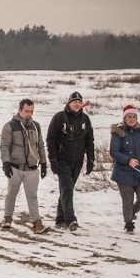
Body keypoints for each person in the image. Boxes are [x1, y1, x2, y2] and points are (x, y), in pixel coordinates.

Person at [46, 91, 94, 231]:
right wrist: (53, 159)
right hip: (62, 160)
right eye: (74, 102)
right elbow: (51, 139)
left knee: (67, 189)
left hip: (78, 161)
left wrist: (91, 158)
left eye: (79, 102)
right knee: (67, 189)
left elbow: (89, 140)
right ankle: (70, 219)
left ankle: (60, 219)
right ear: (69, 103)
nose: (77, 104)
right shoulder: (60, 117)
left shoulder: (85, 119)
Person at [0, 99, 48, 234]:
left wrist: (44, 163)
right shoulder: (9, 126)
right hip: (15, 167)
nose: (29, 114)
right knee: (11, 194)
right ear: (20, 110)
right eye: (26, 111)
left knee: (32, 195)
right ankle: (7, 218)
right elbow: (4, 146)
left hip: (32, 169)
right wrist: (6, 163)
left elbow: (40, 146)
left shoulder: (36, 126)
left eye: (31, 111)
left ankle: (36, 223)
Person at [110, 104, 140, 234]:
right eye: (129, 117)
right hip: (123, 172)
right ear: (124, 118)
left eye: (134, 116)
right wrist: (128, 160)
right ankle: (129, 224)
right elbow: (114, 151)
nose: (132, 119)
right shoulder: (118, 132)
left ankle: (132, 212)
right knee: (127, 200)